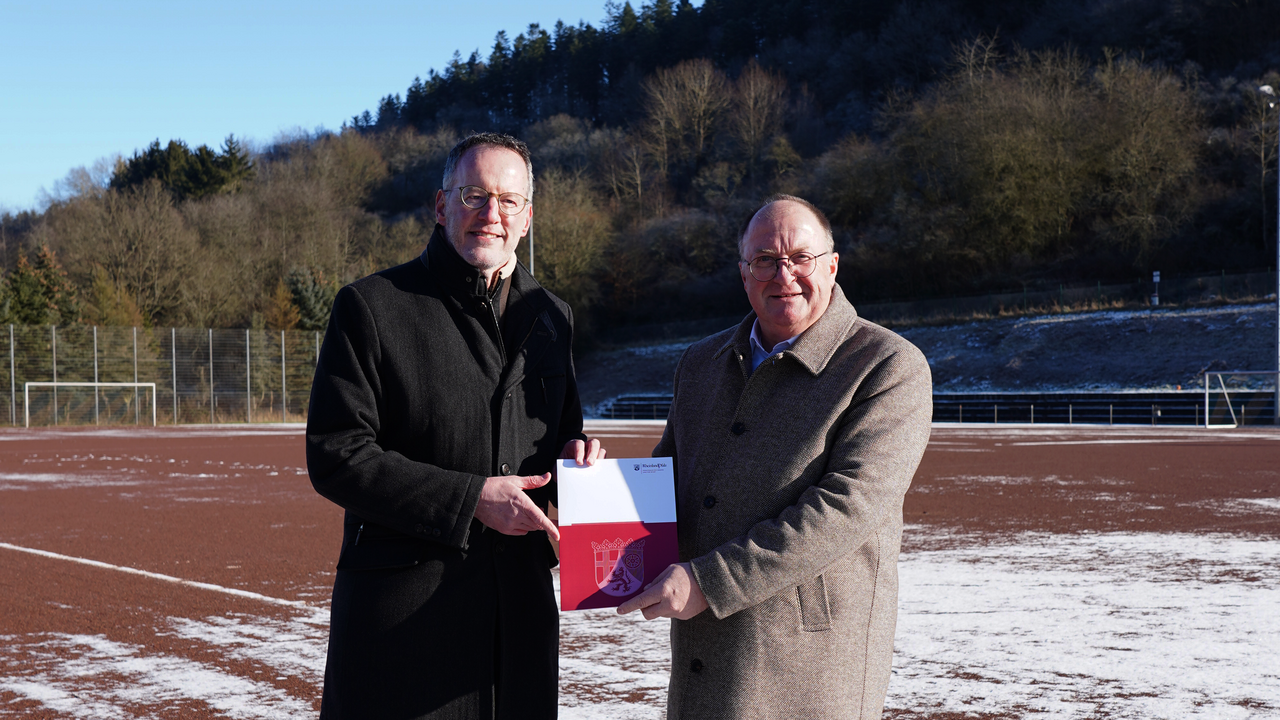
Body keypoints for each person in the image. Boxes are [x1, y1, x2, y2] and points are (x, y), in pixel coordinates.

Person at [306, 132, 603, 719]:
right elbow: (336, 453)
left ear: (527, 217)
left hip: (518, 623)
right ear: (442, 207)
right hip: (405, 626)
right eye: (474, 196)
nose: (491, 215)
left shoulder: (553, 317)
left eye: (508, 201)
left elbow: (560, 438)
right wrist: (470, 501)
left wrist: (578, 462)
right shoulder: (371, 306)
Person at [618, 195, 932, 719]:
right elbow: (666, 482)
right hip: (701, 653)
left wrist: (708, 581)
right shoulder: (700, 363)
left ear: (831, 265)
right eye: (764, 259)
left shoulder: (888, 367)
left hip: (808, 665)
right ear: (744, 275)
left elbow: (845, 508)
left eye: (799, 257)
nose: (783, 274)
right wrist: (591, 485)